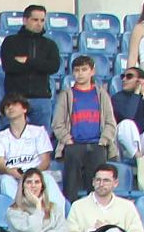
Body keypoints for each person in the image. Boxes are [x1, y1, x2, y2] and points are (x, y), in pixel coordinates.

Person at [50, 55, 117, 200]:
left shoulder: (101, 94)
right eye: (76, 70)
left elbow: (110, 122)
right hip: (74, 145)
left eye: (84, 69)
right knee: (70, 187)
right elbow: (57, 123)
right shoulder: (67, 95)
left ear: (92, 71)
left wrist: (104, 140)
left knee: (97, 188)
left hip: (97, 145)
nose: (80, 73)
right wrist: (67, 140)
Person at [2, 4, 62, 131]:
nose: (39, 24)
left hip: (41, 99)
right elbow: (9, 66)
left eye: (42, 20)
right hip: (15, 98)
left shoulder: (50, 45)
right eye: (35, 20)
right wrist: (40, 65)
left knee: (42, 140)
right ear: (25, 20)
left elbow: (53, 66)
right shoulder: (10, 42)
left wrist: (27, 61)